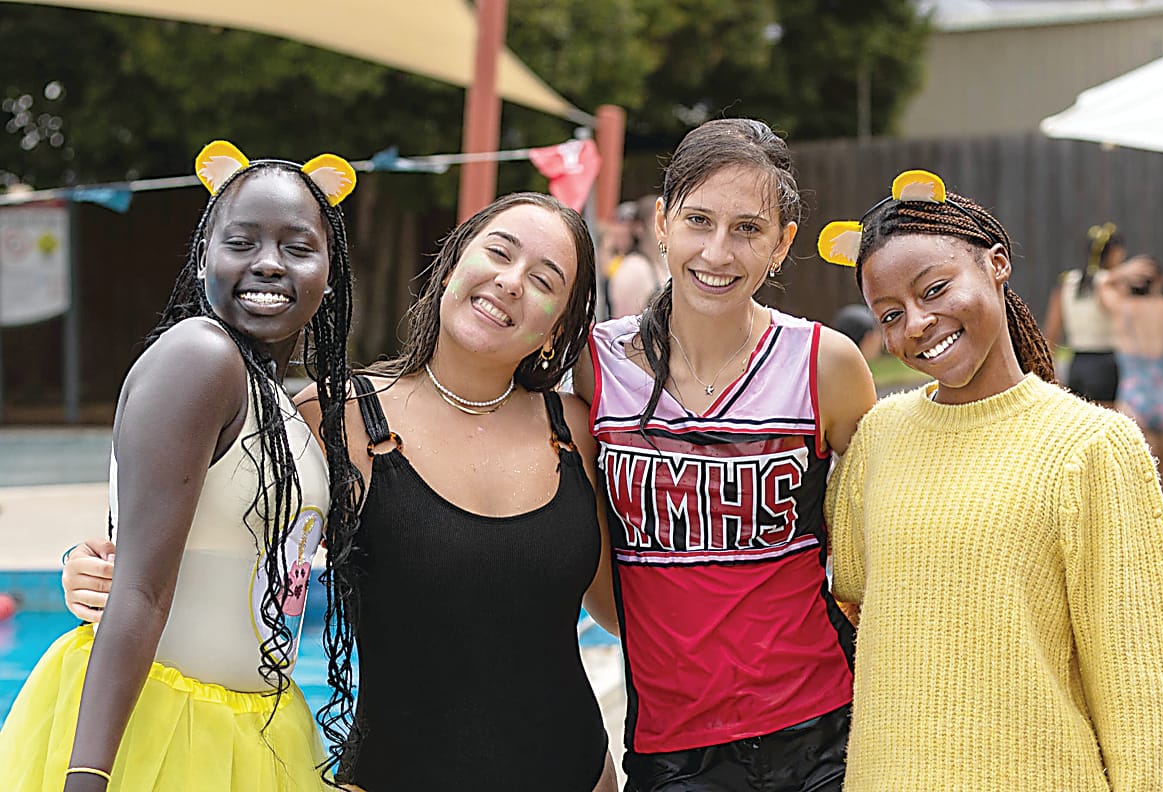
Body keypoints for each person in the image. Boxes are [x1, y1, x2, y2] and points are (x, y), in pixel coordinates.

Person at [64, 192, 618, 792]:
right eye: (498, 253)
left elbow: (626, 612)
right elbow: (209, 530)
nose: (511, 282)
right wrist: (87, 565)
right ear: (452, 266)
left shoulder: (580, 434)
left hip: (577, 775)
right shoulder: (334, 422)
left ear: (557, 328)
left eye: (544, 280)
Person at [1, 140, 359, 790]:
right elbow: (138, 589)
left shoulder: (285, 406)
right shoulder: (199, 357)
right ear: (203, 260)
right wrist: (86, 777)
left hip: (258, 730)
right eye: (242, 242)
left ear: (329, 273)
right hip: (160, 726)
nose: (270, 264)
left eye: (298, 248)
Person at [819, 169, 1163, 791]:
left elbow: (1140, 686)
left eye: (935, 288)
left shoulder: (1094, 446)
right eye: (891, 313)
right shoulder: (879, 435)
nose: (918, 323)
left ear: (997, 263)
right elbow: (852, 584)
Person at [574, 118, 877, 791]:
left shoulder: (824, 364)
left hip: (823, 725)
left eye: (747, 228)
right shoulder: (597, 367)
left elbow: (876, 545)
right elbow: (588, 547)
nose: (717, 250)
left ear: (781, 244)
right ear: (661, 223)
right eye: (698, 220)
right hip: (672, 739)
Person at [1098, 253, 1163, 522]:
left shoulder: (1122, 309)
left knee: (1141, 474)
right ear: (1159, 281)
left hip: (1136, 393)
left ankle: (1146, 524)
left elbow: (1102, 284)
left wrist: (1122, 271)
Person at [1043, 222, 1125, 405]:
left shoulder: (1067, 282)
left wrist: (1049, 370)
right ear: (1114, 253)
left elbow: (1051, 331)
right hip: (1104, 363)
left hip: (1077, 363)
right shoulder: (1109, 284)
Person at [604, 196, 666, 318]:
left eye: (665, 221)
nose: (663, 229)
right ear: (639, 229)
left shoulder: (661, 263)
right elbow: (624, 328)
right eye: (656, 222)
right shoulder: (634, 268)